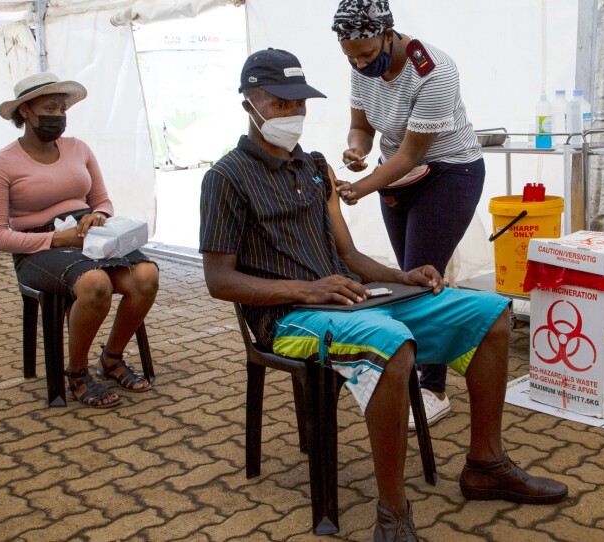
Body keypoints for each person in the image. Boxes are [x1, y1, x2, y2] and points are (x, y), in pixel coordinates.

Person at [200, 48, 568, 542]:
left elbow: (349, 255)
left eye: (299, 103)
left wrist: (402, 276)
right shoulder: (224, 179)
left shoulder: (313, 166)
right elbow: (219, 282)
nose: (293, 114)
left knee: (490, 314)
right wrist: (309, 289)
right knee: (391, 343)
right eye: (280, 103)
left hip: (349, 295)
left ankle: (486, 463)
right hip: (288, 317)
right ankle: (393, 512)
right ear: (250, 102)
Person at [331, 0, 488, 430]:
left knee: (422, 275)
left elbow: (410, 153)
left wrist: (360, 188)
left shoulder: (434, 70)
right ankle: (416, 369)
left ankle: (433, 388)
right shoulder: (360, 66)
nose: (360, 63)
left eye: (366, 52)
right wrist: (357, 150)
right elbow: (362, 126)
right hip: (397, 178)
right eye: (351, 56)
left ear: (388, 32)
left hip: (448, 173)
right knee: (408, 275)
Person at [0, 72, 159, 408]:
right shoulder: (0, 164)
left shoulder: (78, 148)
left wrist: (99, 215)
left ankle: (112, 358)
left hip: (89, 233)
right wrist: (55, 240)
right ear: (26, 112)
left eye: (62, 109)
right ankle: (76, 373)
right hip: (37, 246)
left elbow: (102, 200)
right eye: (49, 108)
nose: (58, 116)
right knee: (95, 284)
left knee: (146, 276)